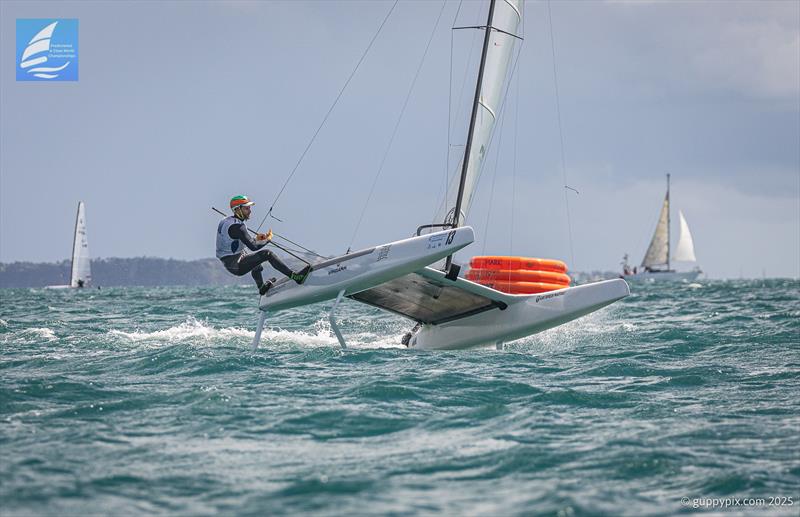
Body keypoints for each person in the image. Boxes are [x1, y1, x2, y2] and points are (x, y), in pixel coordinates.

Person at [216, 195, 311, 295]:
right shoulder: (237, 227)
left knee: (255, 261)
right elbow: (253, 247)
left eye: (249, 208)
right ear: (237, 210)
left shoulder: (227, 221)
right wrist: (268, 239)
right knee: (267, 254)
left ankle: (262, 288)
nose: (250, 211)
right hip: (235, 265)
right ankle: (296, 277)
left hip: (232, 260)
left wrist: (256, 239)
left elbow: (236, 239)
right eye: (246, 208)